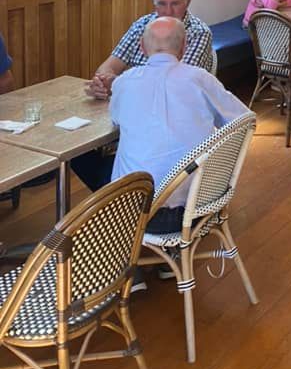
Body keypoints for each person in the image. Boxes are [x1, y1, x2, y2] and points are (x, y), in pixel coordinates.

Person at [73, 17, 249, 236]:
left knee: (80, 156)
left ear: (142, 48)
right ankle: (169, 252)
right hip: (201, 205)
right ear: (184, 48)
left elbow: (116, 121)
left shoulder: (124, 82)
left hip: (144, 212)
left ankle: (120, 240)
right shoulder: (202, 79)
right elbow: (245, 121)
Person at [86, 0, 212, 99]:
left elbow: (175, 87)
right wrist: (101, 84)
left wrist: (118, 84)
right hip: (134, 103)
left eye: (175, 4)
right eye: (162, 4)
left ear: (187, 3)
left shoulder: (199, 33)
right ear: (154, 3)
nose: (168, 11)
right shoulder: (142, 25)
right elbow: (108, 67)